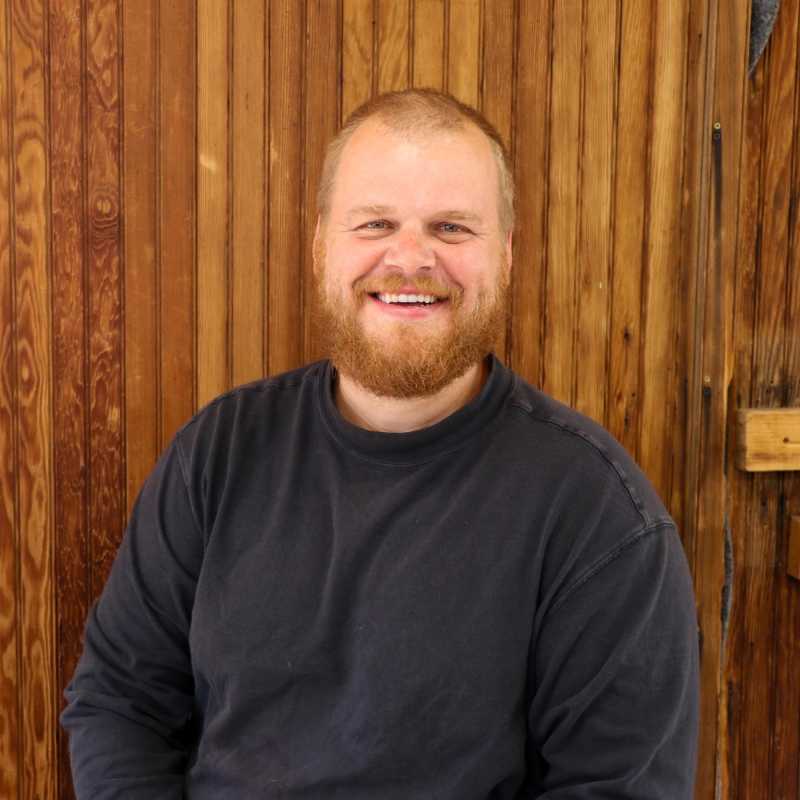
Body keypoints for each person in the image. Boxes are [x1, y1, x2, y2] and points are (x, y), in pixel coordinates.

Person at [61, 88, 699, 798]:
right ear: (319, 247)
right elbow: (120, 704)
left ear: (508, 256)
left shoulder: (599, 518)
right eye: (375, 223)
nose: (410, 257)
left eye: (452, 227)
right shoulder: (218, 454)